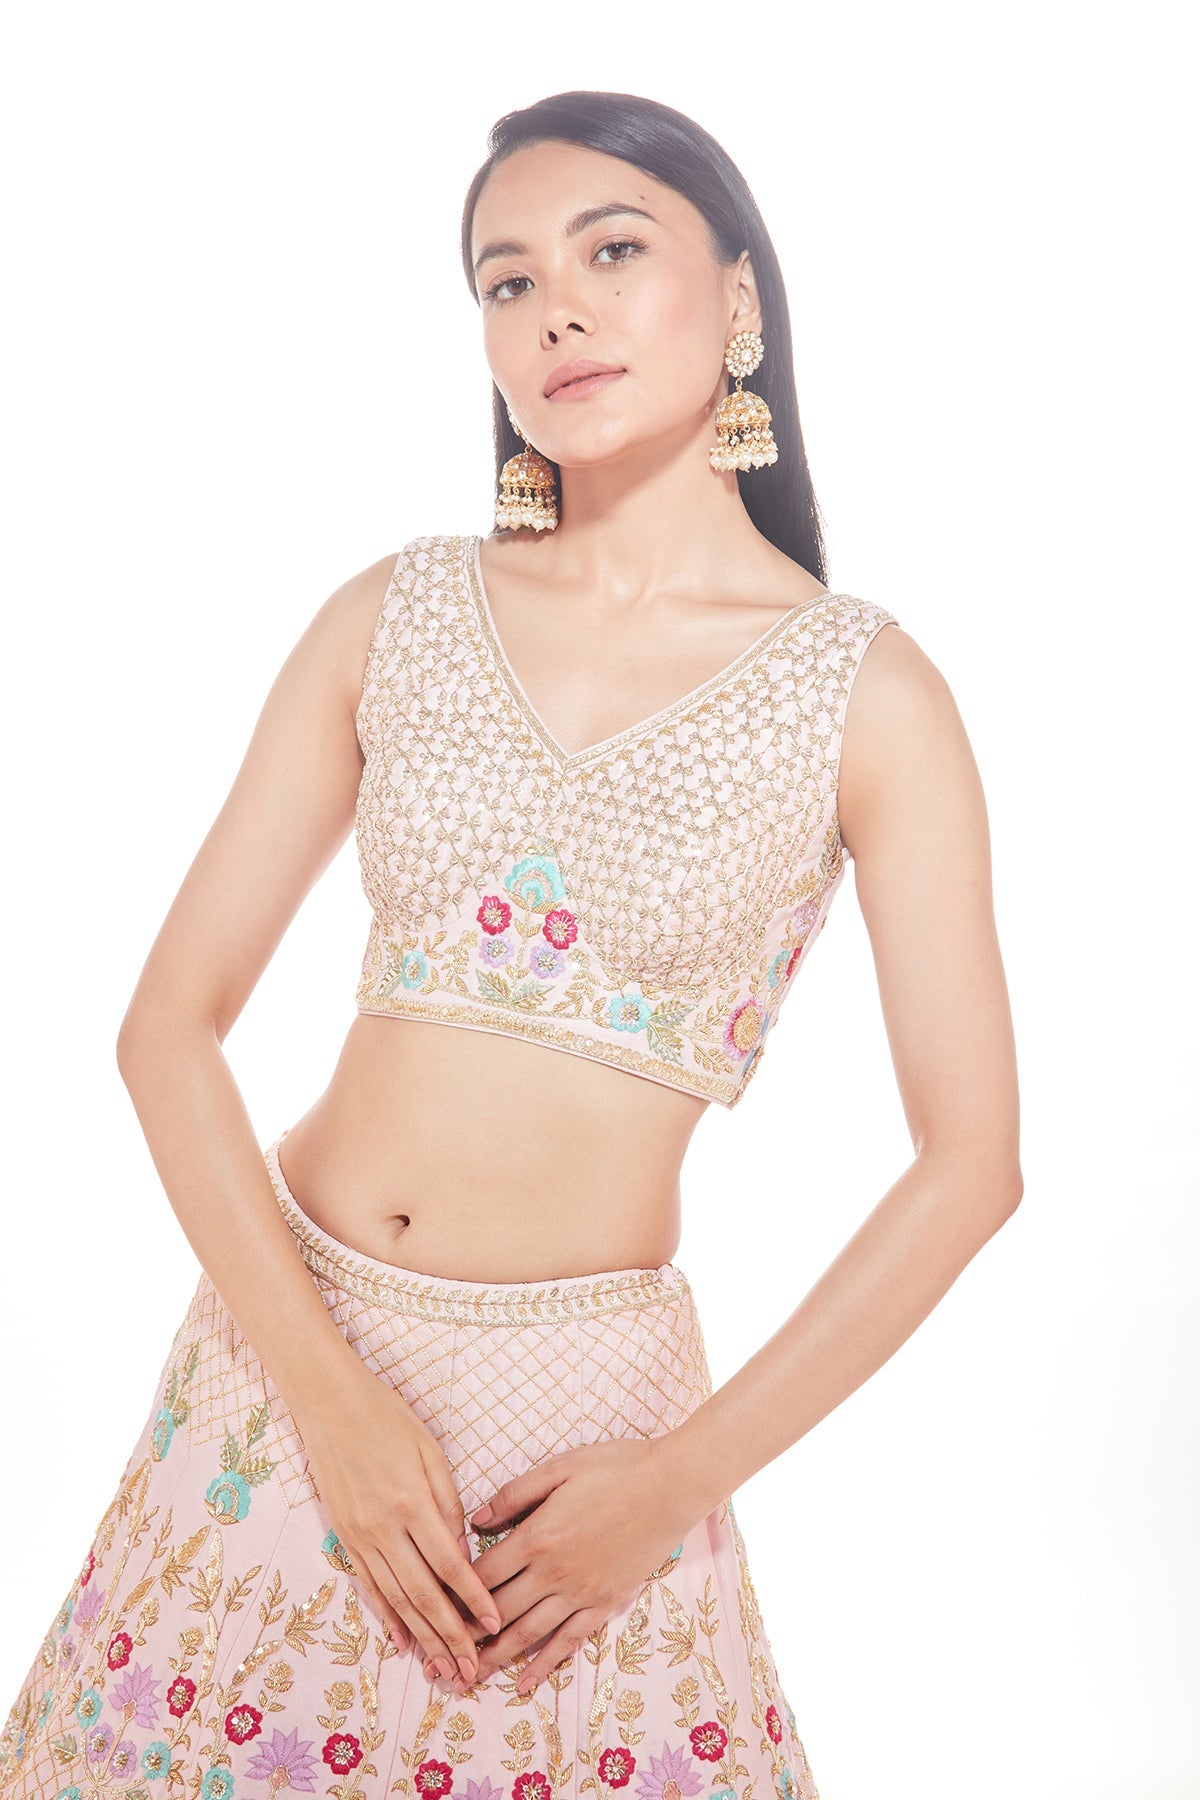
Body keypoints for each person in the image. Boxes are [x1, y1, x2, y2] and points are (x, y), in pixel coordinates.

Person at [0, 89, 1022, 1800]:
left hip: (586, 1452)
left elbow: (972, 1166)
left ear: (741, 299)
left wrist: (674, 1483)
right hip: (282, 1363)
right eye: (507, 279)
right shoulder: (393, 614)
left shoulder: (871, 697)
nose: (556, 310)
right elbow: (166, 1025)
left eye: (613, 251)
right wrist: (328, 1403)